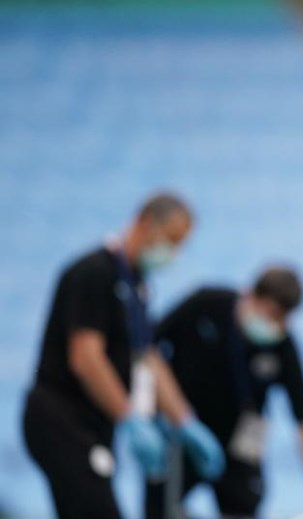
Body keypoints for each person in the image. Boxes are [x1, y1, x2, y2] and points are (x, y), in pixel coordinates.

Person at [22, 193, 225, 518]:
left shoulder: (136, 285)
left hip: (95, 425)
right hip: (61, 418)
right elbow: (86, 357)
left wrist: (185, 420)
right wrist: (128, 415)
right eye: (172, 241)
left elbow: (147, 358)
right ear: (146, 224)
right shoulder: (93, 272)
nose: (174, 253)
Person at [145, 266, 303, 519]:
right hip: (182, 433)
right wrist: (170, 414)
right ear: (251, 295)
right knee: (160, 507)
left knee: (244, 506)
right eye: (272, 313)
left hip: (240, 445)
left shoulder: (283, 346)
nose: (276, 324)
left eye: (284, 318)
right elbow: (146, 349)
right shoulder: (207, 304)